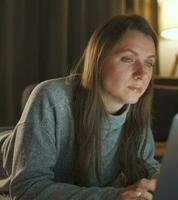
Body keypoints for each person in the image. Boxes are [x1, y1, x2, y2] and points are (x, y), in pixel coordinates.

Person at [0, 14, 160, 200]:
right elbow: (27, 187)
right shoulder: (52, 97)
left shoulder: (134, 110)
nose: (142, 73)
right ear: (98, 58)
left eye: (149, 63)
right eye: (128, 59)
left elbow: (148, 167)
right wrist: (113, 196)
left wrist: (161, 182)